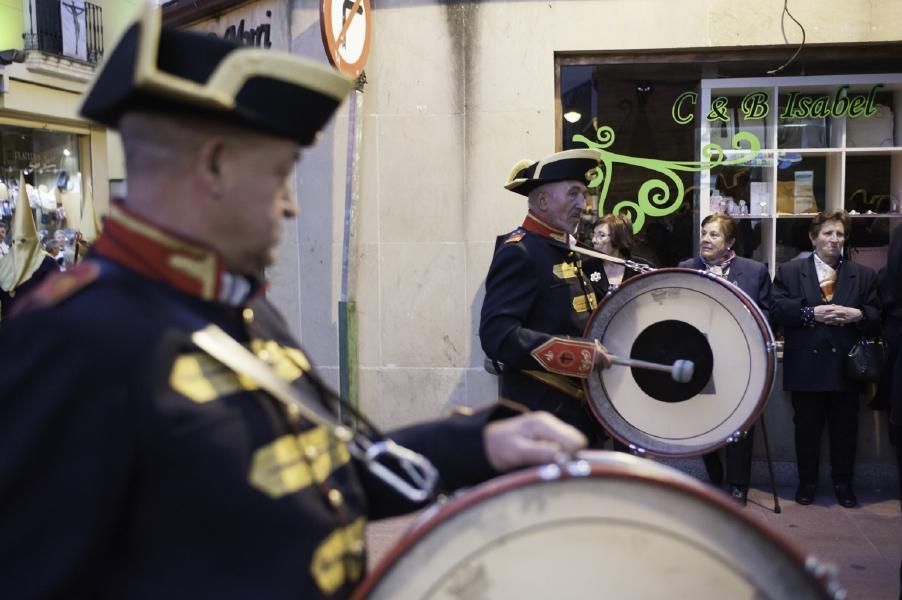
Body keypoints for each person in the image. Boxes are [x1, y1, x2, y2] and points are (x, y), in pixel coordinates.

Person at [0, 8, 589, 598]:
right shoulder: (71, 340)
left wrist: (477, 445)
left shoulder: (235, 306)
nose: (291, 205)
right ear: (213, 165)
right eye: (280, 175)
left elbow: (312, 473)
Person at [479, 150, 613, 447]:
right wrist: (581, 356)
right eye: (574, 194)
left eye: (584, 194)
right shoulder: (520, 251)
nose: (583, 203)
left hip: (577, 413)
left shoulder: (560, 248)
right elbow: (496, 336)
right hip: (542, 416)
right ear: (542, 201)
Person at [771, 210, 881, 508]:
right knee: (806, 429)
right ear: (813, 237)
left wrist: (857, 314)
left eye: (840, 234)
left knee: (845, 430)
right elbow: (776, 309)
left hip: (847, 367)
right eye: (828, 233)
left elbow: (877, 315)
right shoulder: (790, 272)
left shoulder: (863, 275)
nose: (834, 240)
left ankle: (843, 483)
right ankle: (806, 483)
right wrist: (810, 312)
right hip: (805, 365)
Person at [679, 213, 772, 505]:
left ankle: (738, 485)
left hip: (738, 358)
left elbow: (767, 314)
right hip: (699, 355)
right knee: (704, 418)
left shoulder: (754, 271)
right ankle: (713, 468)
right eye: (704, 233)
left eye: (714, 234)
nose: (705, 239)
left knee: (741, 424)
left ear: (730, 241)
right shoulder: (686, 269)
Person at [580, 213, 643, 297]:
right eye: (593, 234)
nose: (594, 240)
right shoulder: (587, 267)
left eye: (601, 235)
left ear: (618, 237)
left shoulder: (641, 269)